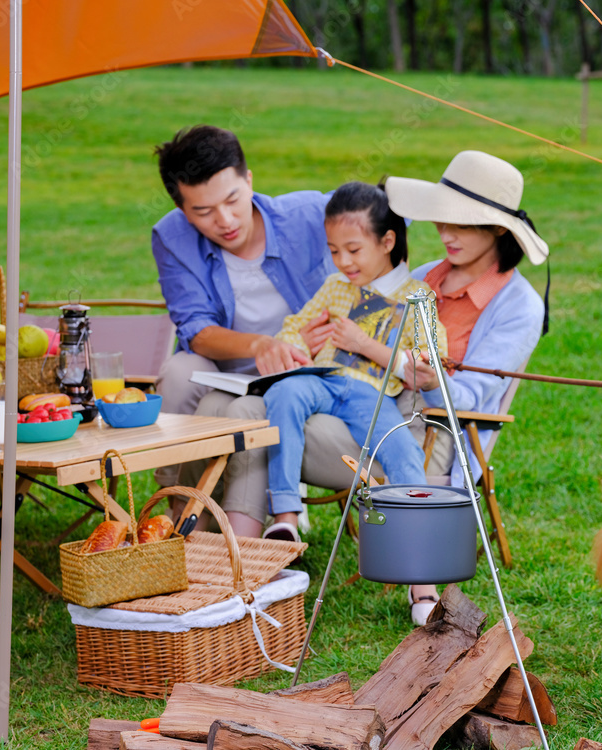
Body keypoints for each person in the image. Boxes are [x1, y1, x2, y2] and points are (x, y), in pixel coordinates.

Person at [307, 150, 549, 624]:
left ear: (500, 228)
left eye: (463, 224)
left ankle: (261, 552)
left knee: (261, 431)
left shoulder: (518, 305)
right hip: (364, 402)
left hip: (428, 434)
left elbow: (472, 400)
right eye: (441, 221)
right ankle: (256, 553)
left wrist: (432, 381)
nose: (446, 233)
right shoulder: (420, 278)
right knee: (267, 409)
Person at [259, 181, 447, 547]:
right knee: (285, 392)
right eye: (334, 251)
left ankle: (419, 553)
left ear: (387, 242)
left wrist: (365, 345)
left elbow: (430, 358)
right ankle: (285, 515)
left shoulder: (417, 297)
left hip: (371, 395)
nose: (343, 262)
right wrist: (297, 348)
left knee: (403, 451)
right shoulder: (334, 287)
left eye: (353, 250)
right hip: (322, 379)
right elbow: (293, 327)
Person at [150, 125, 334, 489]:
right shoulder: (171, 237)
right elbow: (196, 331)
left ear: (249, 180)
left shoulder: (311, 213)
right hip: (225, 372)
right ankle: (176, 499)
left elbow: (388, 220)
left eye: (233, 200)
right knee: (177, 372)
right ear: (182, 209)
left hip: (307, 367)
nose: (226, 220)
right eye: (204, 211)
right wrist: (259, 345)